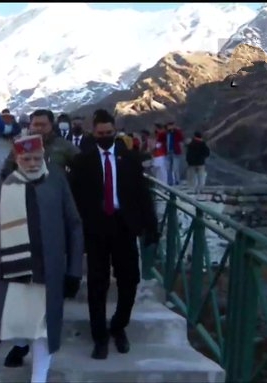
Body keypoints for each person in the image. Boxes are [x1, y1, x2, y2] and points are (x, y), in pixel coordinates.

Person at [0, 134, 84, 383]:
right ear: (17, 158)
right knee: (20, 322)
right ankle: (22, 345)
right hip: (12, 269)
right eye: (27, 159)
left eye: (37, 158)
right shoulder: (1, 186)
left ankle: (39, 377)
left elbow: (74, 225)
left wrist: (74, 270)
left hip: (48, 269)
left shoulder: (56, 182)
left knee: (42, 328)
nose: (33, 163)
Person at [69, 109, 159, 360]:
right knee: (97, 284)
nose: (105, 136)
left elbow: (143, 195)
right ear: (93, 133)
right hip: (96, 229)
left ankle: (119, 326)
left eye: (110, 133)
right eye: (101, 133)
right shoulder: (83, 161)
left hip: (124, 227)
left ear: (115, 131)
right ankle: (99, 336)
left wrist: (151, 227)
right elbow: (74, 198)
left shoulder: (129, 159)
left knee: (129, 280)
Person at [0, 109, 79, 179]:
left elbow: (82, 166)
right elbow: (7, 171)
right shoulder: (21, 145)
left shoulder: (63, 145)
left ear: (51, 125)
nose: (39, 128)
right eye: (36, 125)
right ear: (30, 126)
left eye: (43, 125)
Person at [165, 121, 185, 186]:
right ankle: (170, 181)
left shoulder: (177, 132)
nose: (169, 127)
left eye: (170, 125)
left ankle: (177, 180)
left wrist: (181, 150)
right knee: (169, 168)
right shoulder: (167, 133)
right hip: (169, 151)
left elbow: (181, 141)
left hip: (176, 152)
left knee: (175, 168)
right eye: (168, 126)